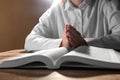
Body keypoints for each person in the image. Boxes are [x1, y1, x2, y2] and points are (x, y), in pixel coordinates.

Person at [24, 0, 120, 51]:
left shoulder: (108, 3)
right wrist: (62, 44)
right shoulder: (55, 8)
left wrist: (86, 43)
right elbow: (30, 41)